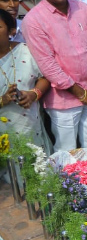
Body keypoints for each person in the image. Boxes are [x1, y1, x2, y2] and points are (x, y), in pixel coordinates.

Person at [23, 0, 87, 152]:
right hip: (63, 100)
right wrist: (80, 93)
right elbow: (48, 65)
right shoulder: (33, 20)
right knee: (66, 152)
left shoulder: (82, 8)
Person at [0, 8, 51, 153]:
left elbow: (46, 76)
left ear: (11, 31)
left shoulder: (26, 51)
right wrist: (3, 100)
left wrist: (33, 94)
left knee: (31, 166)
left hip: (27, 124)